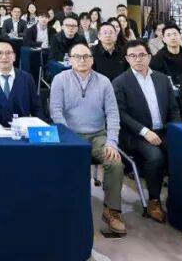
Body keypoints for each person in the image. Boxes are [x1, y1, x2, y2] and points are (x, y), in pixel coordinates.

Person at [49, 43, 127, 235]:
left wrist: (111, 142)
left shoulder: (104, 82)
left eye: (86, 56)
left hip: (98, 135)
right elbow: (56, 111)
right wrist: (69, 137)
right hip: (70, 135)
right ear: (70, 60)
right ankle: (67, 209)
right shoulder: (60, 79)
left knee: (115, 163)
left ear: (92, 59)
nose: (82, 60)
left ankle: (112, 211)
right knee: (70, 163)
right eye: (77, 56)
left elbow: (113, 114)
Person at [112, 40, 180, 223]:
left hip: (163, 131)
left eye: (142, 55)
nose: (138, 59)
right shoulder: (120, 82)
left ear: (149, 57)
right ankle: (154, 201)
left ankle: (178, 198)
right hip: (135, 134)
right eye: (133, 56)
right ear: (127, 58)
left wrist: (175, 129)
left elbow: (173, 109)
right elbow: (121, 114)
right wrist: (144, 132)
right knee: (156, 157)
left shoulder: (162, 79)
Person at [0, 39, 42, 124]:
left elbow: (37, 109)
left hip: (21, 129)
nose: (4, 57)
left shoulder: (27, 79)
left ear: (14, 56)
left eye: (8, 53)